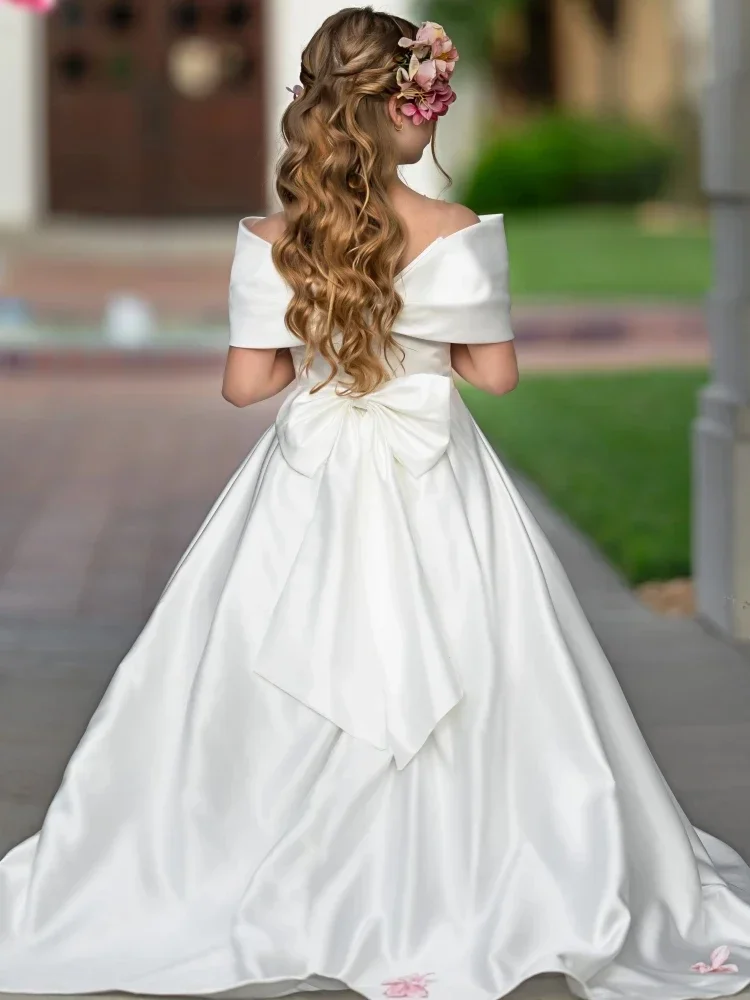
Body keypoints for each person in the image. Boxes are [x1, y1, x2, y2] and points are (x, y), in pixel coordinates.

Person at [1, 7, 749, 1000]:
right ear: (406, 108)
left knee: (279, 650)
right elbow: (495, 375)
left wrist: (327, 357)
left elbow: (246, 385)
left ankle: (260, 860)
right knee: (479, 656)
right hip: (437, 474)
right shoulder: (459, 232)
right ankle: (479, 870)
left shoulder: (274, 239)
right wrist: (422, 345)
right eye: (426, 104)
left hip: (309, 477)